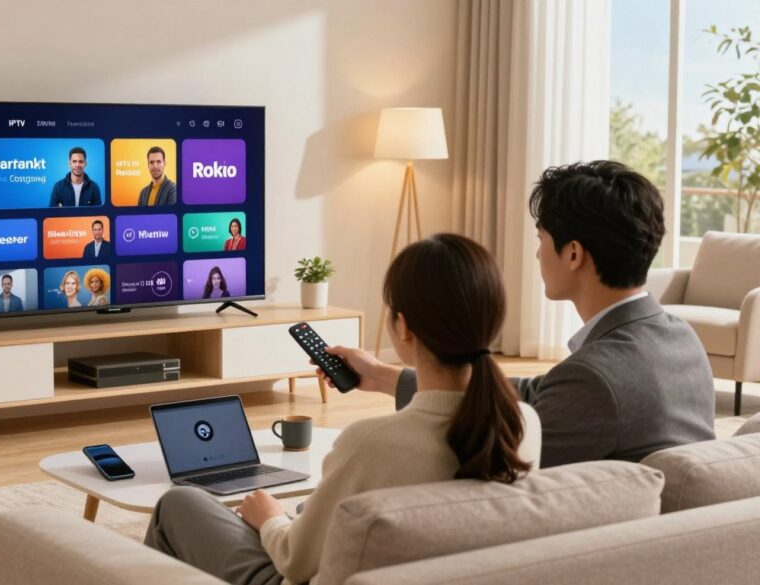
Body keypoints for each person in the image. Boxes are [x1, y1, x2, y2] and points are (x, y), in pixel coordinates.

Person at [144, 234, 542, 585]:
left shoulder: (372, 443)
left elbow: (294, 561)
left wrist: (268, 517)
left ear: (402, 328)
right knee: (305, 509)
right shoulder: (523, 423)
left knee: (179, 503)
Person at [321, 160, 715, 469]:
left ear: (573, 254)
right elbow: (535, 395)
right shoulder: (681, 339)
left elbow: (500, 477)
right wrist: (381, 376)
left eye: (541, 238)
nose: (538, 252)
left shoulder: (595, 377)